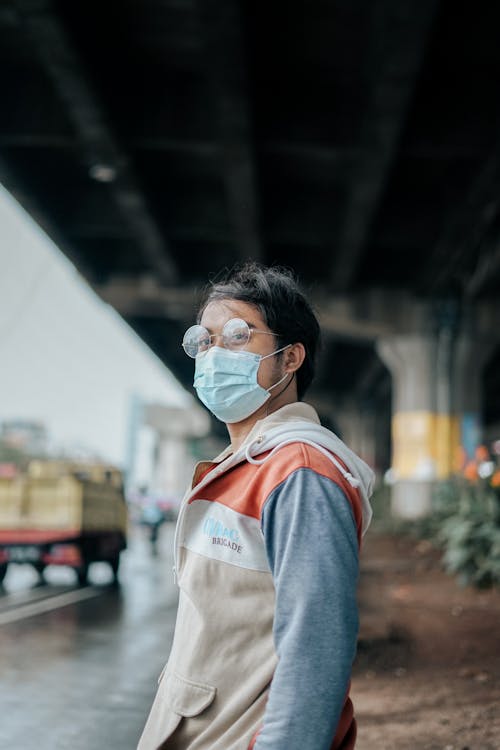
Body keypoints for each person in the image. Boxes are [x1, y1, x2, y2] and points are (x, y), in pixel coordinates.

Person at [137, 263, 374, 750]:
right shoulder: (242, 465)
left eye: (239, 336)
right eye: (204, 340)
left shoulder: (300, 473)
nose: (214, 353)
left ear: (290, 359)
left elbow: (316, 648)